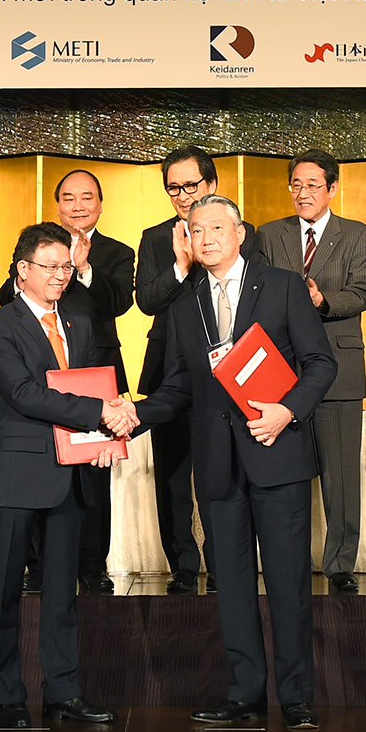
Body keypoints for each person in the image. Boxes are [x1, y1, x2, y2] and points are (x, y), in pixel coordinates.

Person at [136, 195, 335, 731]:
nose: (205, 238)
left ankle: (296, 696)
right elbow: (178, 386)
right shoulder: (184, 304)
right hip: (217, 463)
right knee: (231, 583)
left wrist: (287, 410)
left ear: (240, 233)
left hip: (277, 453)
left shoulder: (284, 286)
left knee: (289, 582)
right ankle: (244, 692)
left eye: (216, 228)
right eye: (195, 230)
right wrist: (134, 415)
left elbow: (320, 364)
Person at [0, 223, 128, 729]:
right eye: (50, 266)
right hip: (18, 473)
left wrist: (104, 441)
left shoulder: (80, 324)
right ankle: (8, 697)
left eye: (67, 266)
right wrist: (100, 414)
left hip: (70, 473)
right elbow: (22, 394)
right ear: (23, 270)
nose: (61, 275)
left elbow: (87, 388)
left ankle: (64, 692)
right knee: (5, 592)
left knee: (63, 593)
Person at [0, 169, 135, 594]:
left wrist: (84, 266)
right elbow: (6, 297)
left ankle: (92, 565)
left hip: (92, 375)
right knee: (42, 479)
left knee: (92, 481)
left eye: (86, 197)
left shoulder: (116, 252)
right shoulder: (37, 246)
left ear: (100, 204)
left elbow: (119, 303)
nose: (78, 205)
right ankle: (39, 566)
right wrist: (46, 266)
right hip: (40, 381)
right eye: (68, 198)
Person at [134, 146, 262, 595]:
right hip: (169, 372)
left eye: (191, 185)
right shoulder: (155, 238)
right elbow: (146, 300)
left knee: (223, 473)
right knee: (172, 478)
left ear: (212, 185)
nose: (183, 195)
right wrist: (180, 265)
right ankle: (183, 566)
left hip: (229, 374)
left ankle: (225, 564)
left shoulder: (241, 232)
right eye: (174, 188)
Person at [257, 149, 366, 594]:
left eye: (312, 185)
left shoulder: (358, 234)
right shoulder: (270, 234)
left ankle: (340, 563)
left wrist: (322, 300)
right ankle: (290, 560)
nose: (303, 192)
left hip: (339, 367)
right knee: (287, 475)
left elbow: (364, 291)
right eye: (296, 185)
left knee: (340, 476)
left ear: (332, 188)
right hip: (282, 374)